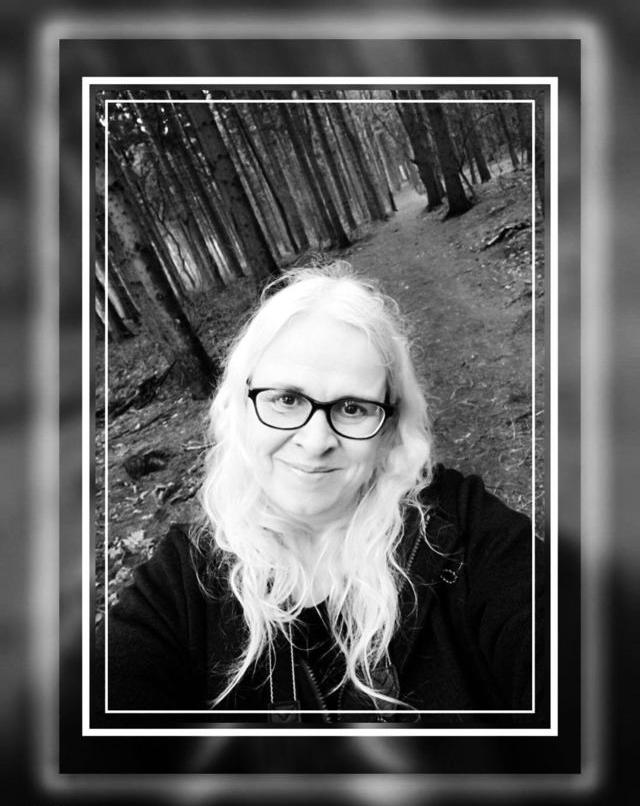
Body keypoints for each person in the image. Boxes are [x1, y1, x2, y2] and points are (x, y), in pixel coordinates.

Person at [100, 262, 546, 725]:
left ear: (389, 428)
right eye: (287, 399)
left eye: (352, 408)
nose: (315, 442)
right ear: (241, 404)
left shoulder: (467, 536)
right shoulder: (181, 586)